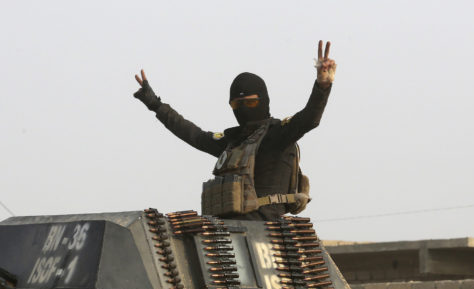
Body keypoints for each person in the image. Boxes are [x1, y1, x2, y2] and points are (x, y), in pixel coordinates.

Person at [133, 40, 337, 221]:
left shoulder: (278, 135)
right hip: (230, 230)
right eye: (237, 104)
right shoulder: (233, 141)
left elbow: (310, 118)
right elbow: (192, 134)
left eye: (251, 102)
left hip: (268, 231)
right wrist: (156, 105)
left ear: (263, 101)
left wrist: (322, 86)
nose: (243, 108)